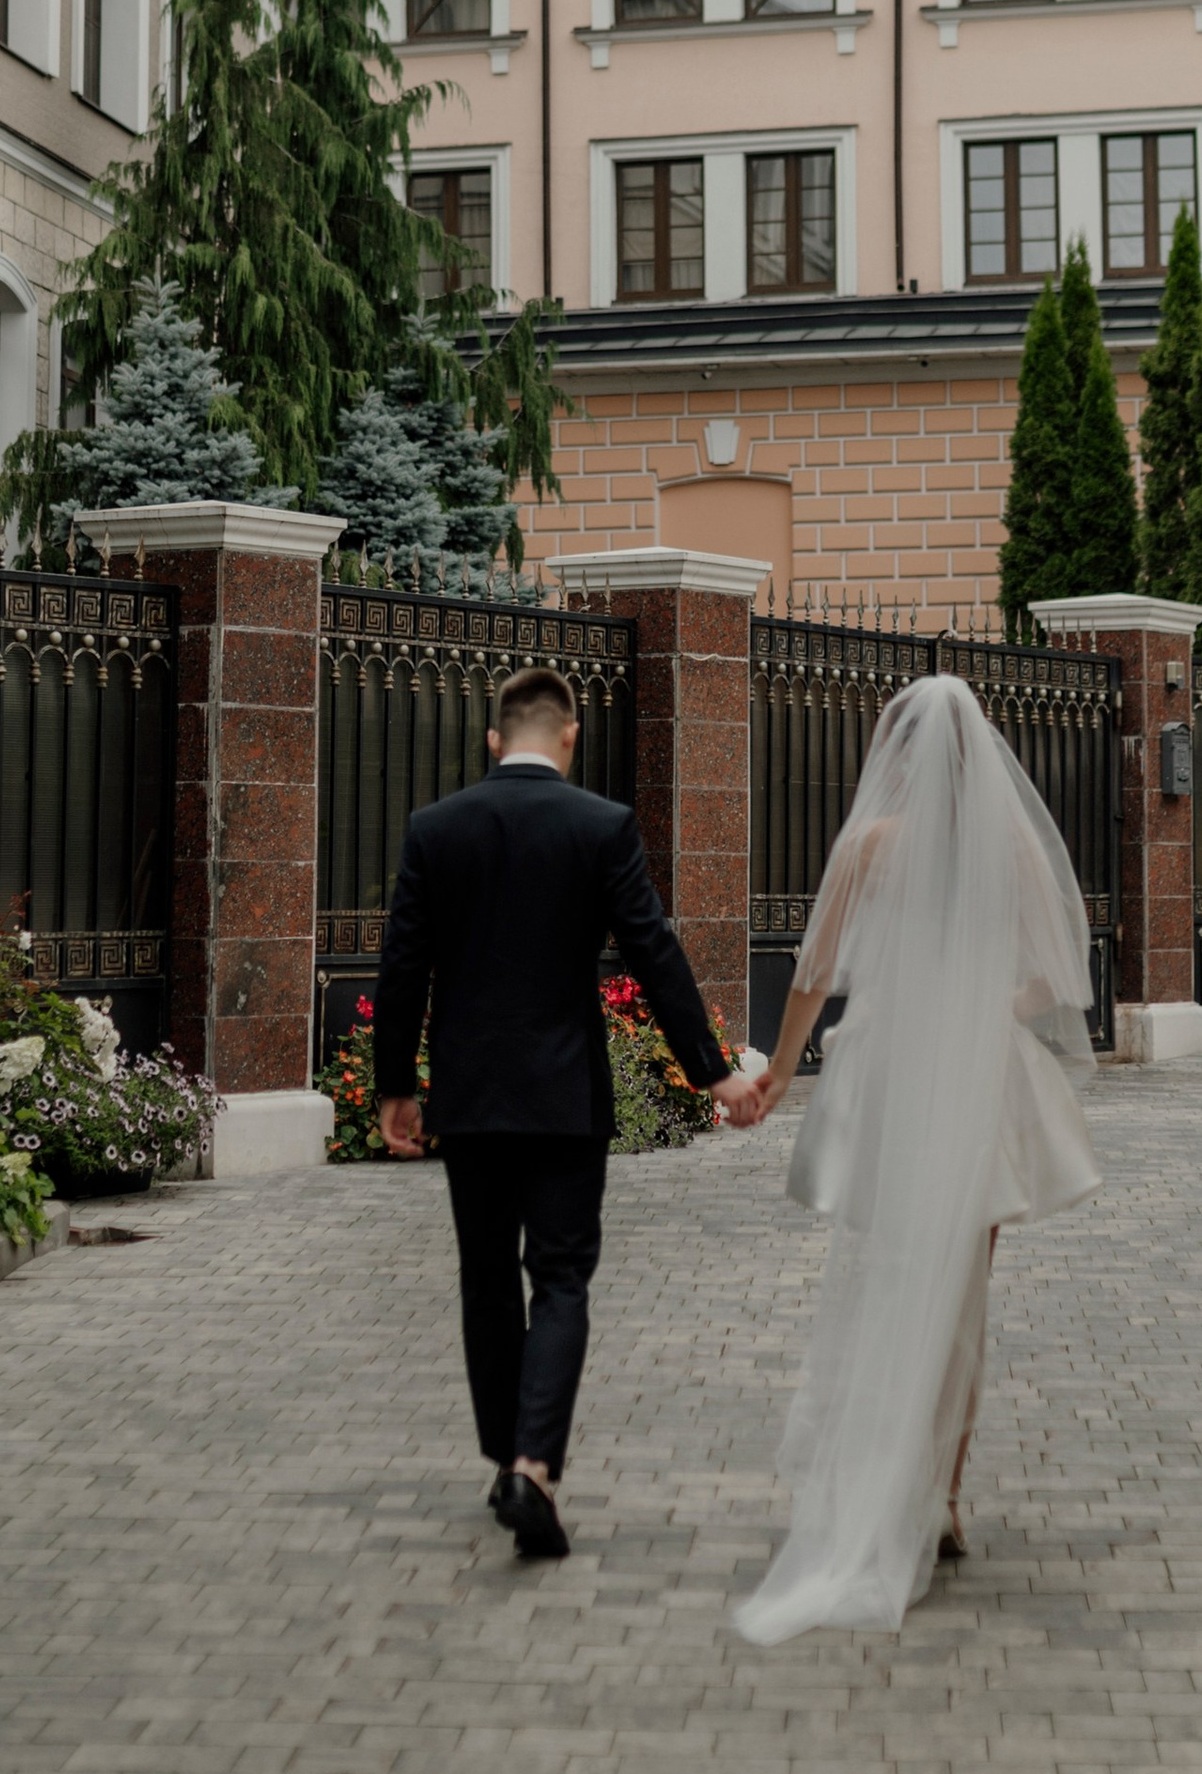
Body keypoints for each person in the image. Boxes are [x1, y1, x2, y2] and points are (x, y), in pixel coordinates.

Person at [730, 671, 1100, 1644]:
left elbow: (813, 970)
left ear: (893, 752)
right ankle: (940, 1493)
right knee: (962, 1289)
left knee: (893, 1272)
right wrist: (981, 1004)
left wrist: (775, 1070)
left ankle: (884, 1477)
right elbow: (1054, 977)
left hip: (889, 1070)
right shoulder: (1010, 843)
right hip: (977, 1071)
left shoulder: (866, 844)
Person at [372, 661, 768, 1561]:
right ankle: (532, 1464)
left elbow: (403, 964)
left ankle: (504, 1457)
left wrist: (398, 1086)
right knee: (560, 1279)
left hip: (470, 1099)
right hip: (563, 1097)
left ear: (493, 739)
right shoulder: (602, 827)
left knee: (485, 1278)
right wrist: (712, 1074)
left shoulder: (437, 829)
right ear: (572, 736)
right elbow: (654, 953)